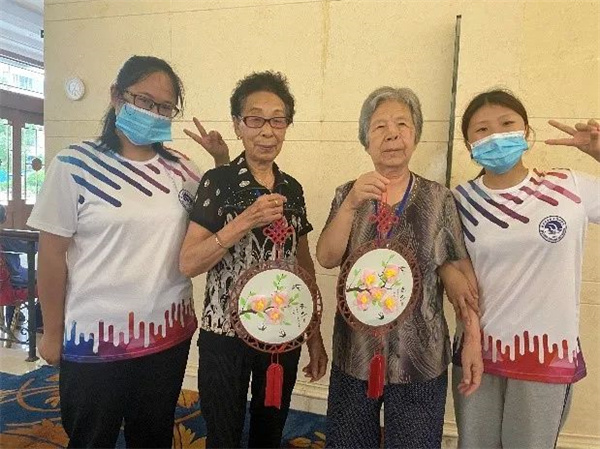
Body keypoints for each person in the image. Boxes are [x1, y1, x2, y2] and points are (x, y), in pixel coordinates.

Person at [26, 55, 229, 449]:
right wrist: (51, 332)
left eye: (165, 107)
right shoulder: (74, 166)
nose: (153, 113)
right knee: (91, 437)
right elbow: (50, 256)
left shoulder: (184, 170)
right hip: (94, 339)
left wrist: (220, 161)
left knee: (153, 435)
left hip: (167, 334)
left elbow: (216, 215)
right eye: (144, 100)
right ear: (117, 96)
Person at [316, 86, 482, 449]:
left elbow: (461, 271)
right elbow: (326, 257)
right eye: (379, 126)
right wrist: (350, 205)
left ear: (416, 135)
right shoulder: (348, 193)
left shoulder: (439, 199)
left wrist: (472, 337)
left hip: (420, 357)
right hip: (355, 352)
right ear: (365, 140)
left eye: (402, 124)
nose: (392, 134)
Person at [179, 70, 328, 449]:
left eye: (277, 120)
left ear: (287, 126)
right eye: (255, 119)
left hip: (282, 332)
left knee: (269, 432)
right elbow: (189, 263)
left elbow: (303, 266)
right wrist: (244, 221)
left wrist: (313, 335)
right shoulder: (218, 182)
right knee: (223, 435)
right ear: (237, 125)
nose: (267, 131)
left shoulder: (292, 188)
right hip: (225, 334)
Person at [449, 89, 600, 448]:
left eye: (507, 124)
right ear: (469, 144)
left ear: (526, 132)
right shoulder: (458, 201)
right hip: (478, 354)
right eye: (482, 129)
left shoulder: (569, 187)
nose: (495, 136)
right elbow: (448, 264)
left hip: (546, 357)